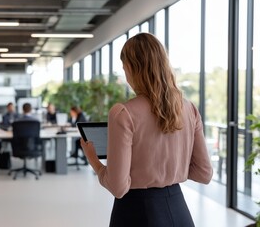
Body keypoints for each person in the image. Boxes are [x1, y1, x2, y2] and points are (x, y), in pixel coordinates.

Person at [80, 33, 213, 227]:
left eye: (124, 67)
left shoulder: (123, 113)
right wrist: (170, 169)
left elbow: (118, 187)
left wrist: (94, 161)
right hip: (179, 210)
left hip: (137, 213)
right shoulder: (189, 108)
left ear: (132, 68)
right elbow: (204, 173)